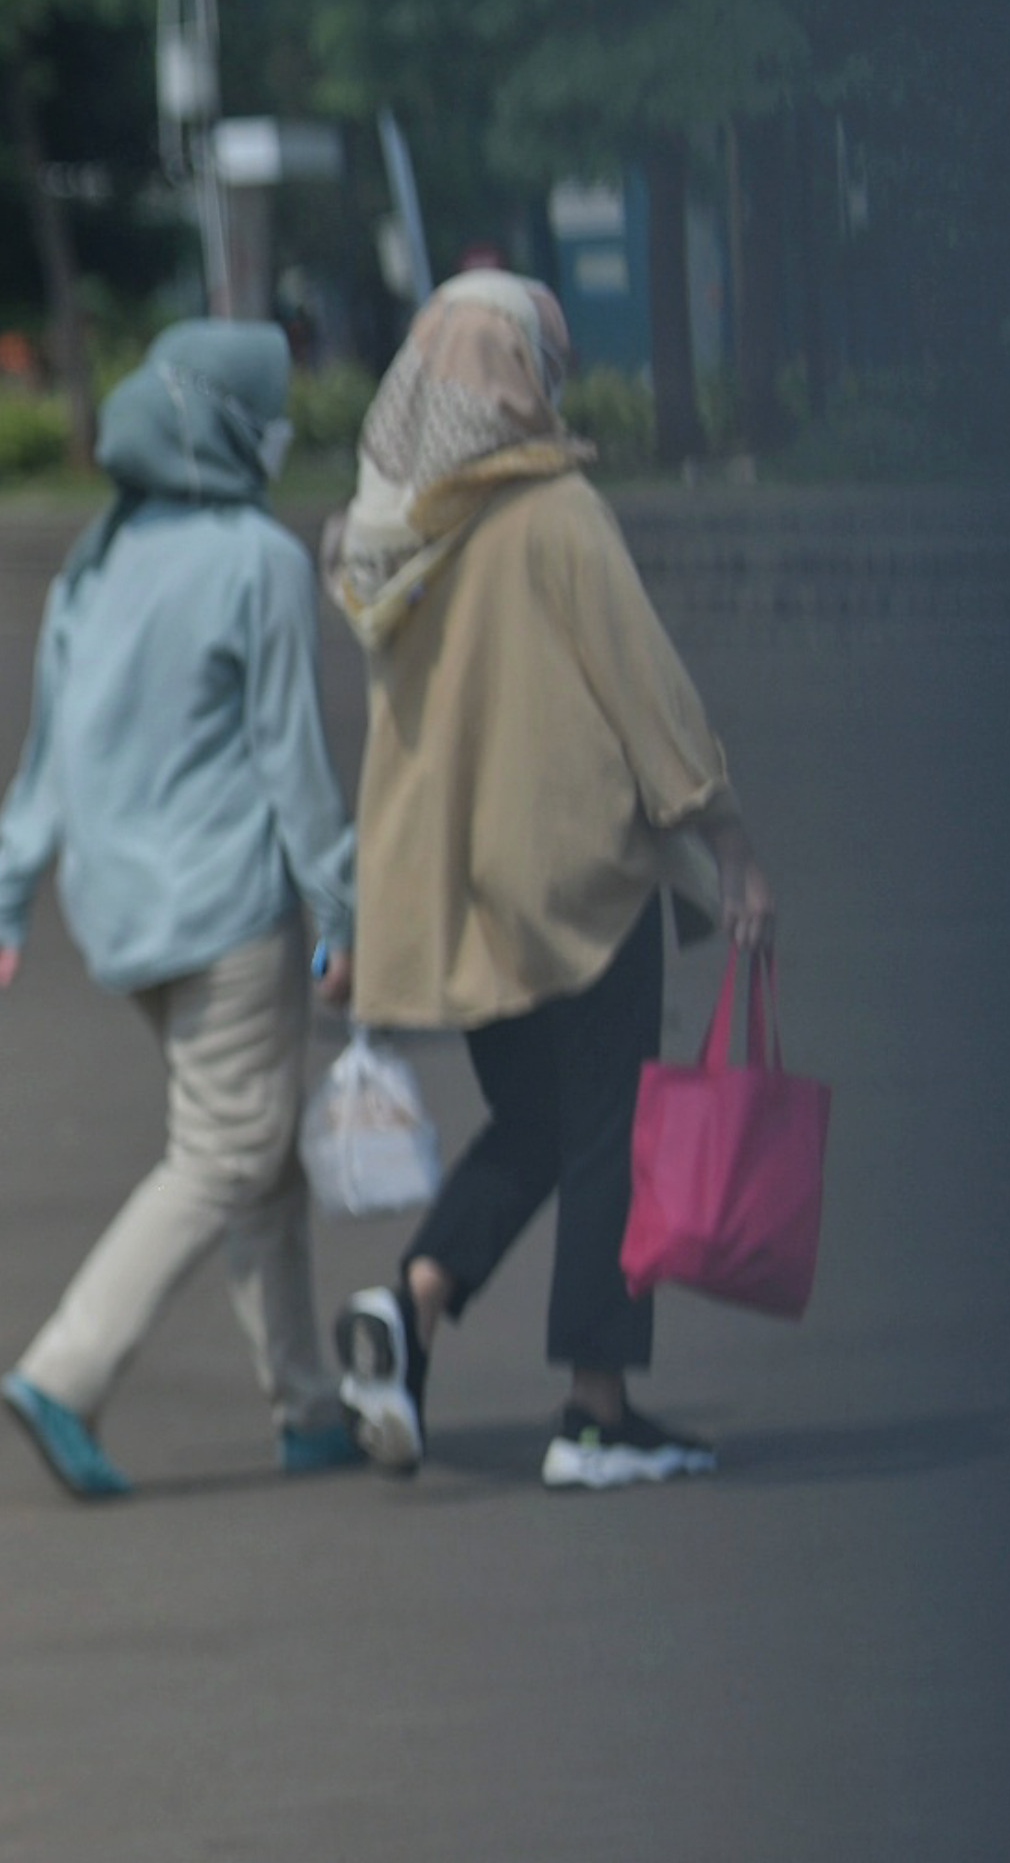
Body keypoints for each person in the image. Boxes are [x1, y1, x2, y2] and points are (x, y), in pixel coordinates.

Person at [322, 272, 776, 1490]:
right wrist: (725, 837)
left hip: (455, 891)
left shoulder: (393, 532)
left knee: (534, 1122)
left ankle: (410, 1301)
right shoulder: (556, 512)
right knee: (607, 1136)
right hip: (579, 878)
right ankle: (596, 1407)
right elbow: (650, 689)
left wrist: (365, 912)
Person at [0, 319, 362, 1498]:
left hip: (120, 916)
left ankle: (308, 1402)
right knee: (225, 1150)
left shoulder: (99, 557)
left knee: (259, 1154)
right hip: (227, 907)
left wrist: (3, 898)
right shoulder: (257, 557)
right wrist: (343, 911)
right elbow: (294, 762)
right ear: (234, 426)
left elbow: (49, 758)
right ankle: (63, 1370)